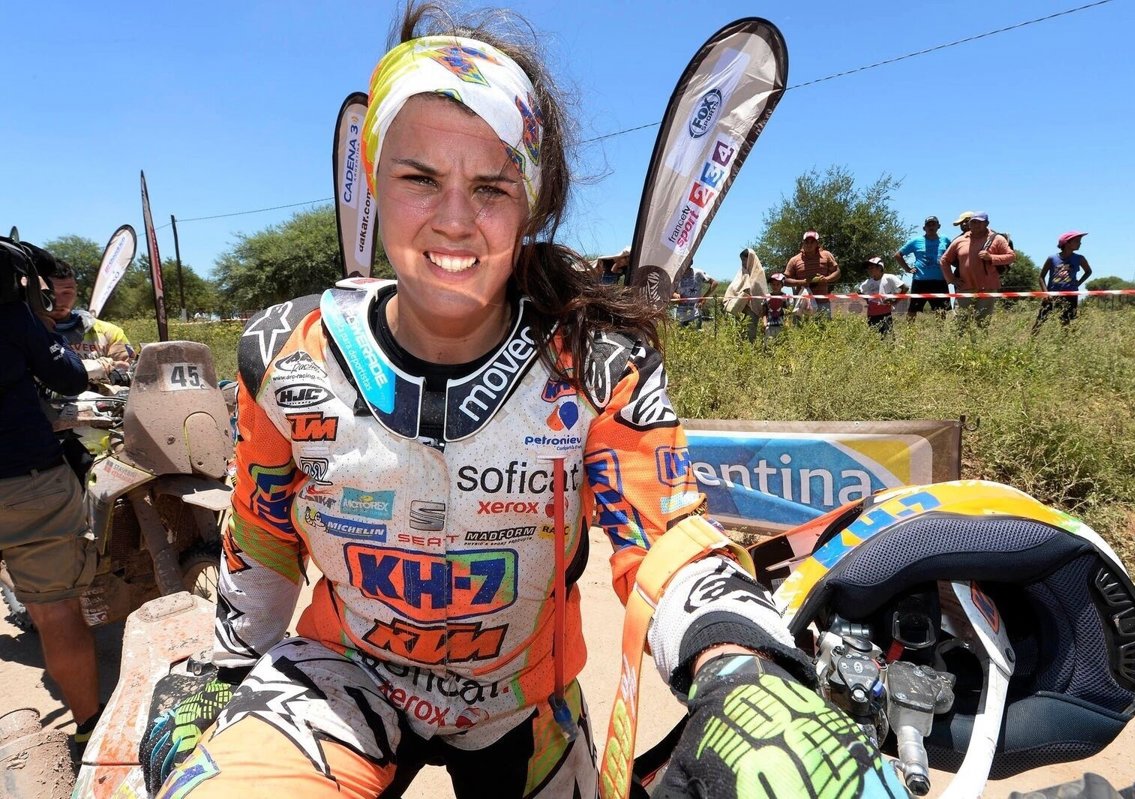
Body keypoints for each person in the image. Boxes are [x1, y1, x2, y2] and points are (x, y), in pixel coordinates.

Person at [147, 8, 905, 798]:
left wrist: (745, 670)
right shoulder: (286, 351)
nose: (454, 219)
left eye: (491, 186)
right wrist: (230, 664)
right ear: (373, 179)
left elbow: (665, 536)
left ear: (531, 204)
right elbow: (264, 531)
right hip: (341, 677)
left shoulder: (596, 360)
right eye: (419, 179)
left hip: (522, 703)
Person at [0, 238, 101, 750]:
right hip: (23, 478)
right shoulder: (13, 317)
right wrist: (37, 322)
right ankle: (89, 729)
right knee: (55, 609)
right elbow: (69, 376)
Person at [47, 259, 135, 383]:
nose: (59, 302)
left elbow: (131, 374)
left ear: (76, 291)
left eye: (66, 293)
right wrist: (104, 366)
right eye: (50, 294)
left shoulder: (110, 333)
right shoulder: (27, 333)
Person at [939, 212, 1014, 324]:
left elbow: (1011, 257)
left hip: (988, 287)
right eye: (973, 222)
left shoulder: (997, 239)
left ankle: (980, 336)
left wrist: (991, 257)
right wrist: (952, 279)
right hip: (964, 287)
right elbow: (944, 260)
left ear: (987, 223)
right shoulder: (960, 240)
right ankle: (962, 337)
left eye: (980, 222)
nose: (976, 224)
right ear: (970, 224)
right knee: (961, 322)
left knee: (982, 322)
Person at [1034, 231, 1093, 330]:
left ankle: (1066, 339)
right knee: (1040, 321)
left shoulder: (1079, 258)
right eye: (1077, 241)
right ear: (1067, 243)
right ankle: (1032, 338)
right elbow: (1041, 277)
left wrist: (1078, 283)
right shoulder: (1052, 258)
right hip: (1052, 295)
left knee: (1067, 323)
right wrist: (1046, 293)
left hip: (1071, 295)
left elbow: (1088, 271)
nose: (1080, 243)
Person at [894, 216, 951, 317]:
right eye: (928, 225)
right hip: (920, 280)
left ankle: (940, 328)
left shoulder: (945, 240)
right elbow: (898, 255)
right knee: (912, 310)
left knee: (941, 310)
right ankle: (909, 327)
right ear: (924, 228)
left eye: (933, 224)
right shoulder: (916, 241)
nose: (931, 227)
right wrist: (907, 269)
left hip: (940, 281)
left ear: (938, 226)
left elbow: (953, 253)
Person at [783, 230, 839, 318]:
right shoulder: (794, 260)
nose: (809, 244)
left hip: (822, 303)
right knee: (802, 326)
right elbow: (785, 281)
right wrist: (803, 282)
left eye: (812, 242)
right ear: (803, 243)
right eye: (806, 242)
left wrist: (826, 279)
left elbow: (837, 272)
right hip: (802, 304)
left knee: (824, 326)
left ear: (817, 243)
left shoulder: (826, 255)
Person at [722, 247, 769, 342]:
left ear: (751, 259)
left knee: (751, 331)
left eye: (745, 259)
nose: (743, 262)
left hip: (753, 308)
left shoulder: (759, 272)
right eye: (742, 260)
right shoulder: (741, 273)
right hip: (739, 307)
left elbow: (759, 290)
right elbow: (734, 287)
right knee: (738, 331)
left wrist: (749, 291)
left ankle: (751, 349)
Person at [858, 257, 908, 336]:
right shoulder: (868, 282)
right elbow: (859, 292)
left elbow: (905, 288)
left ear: (880, 267)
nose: (869, 270)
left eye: (872, 267)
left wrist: (895, 301)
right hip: (871, 314)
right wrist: (868, 300)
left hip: (885, 313)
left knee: (888, 336)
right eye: (868, 268)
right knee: (873, 337)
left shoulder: (889, 278)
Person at [672, 261, 717, 328]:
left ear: (691, 262)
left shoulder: (698, 273)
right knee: (680, 333)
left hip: (695, 311)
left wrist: (704, 298)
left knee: (696, 332)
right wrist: (674, 294)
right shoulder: (676, 274)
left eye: (687, 261)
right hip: (680, 312)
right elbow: (669, 289)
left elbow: (714, 283)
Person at [762, 272, 791, 339]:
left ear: (782, 285)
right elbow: (764, 312)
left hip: (782, 325)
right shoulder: (767, 297)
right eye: (773, 284)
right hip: (769, 326)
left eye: (778, 284)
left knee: (782, 342)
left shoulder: (785, 297)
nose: (775, 286)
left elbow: (788, 312)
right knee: (769, 343)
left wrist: (787, 322)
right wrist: (764, 322)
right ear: (770, 284)